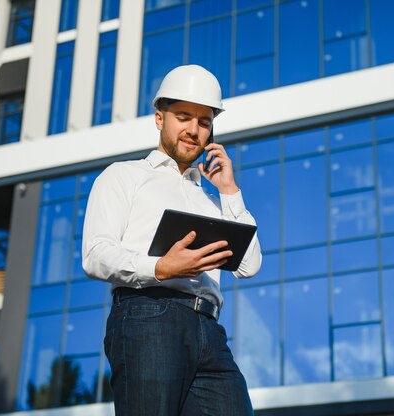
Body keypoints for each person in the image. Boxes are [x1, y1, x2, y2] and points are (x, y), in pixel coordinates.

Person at [82, 65, 262, 416]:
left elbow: (249, 265)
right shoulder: (123, 176)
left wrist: (229, 190)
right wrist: (161, 267)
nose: (194, 130)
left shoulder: (212, 200)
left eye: (204, 121)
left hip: (210, 330)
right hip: (148, 317)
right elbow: (95, 254)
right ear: (159, 118)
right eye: (183, 117)